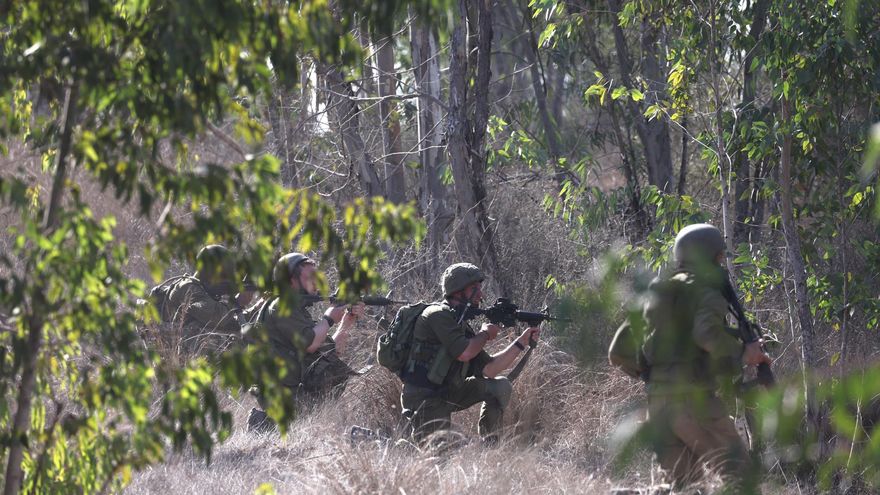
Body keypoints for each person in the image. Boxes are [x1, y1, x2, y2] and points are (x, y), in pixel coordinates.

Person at [637, 223, 771, 489]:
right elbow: (706, 335)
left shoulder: (662, 292)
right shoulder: (706, 292)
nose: (722, 262)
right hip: (692, 404)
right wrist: (745, 353)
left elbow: (626, 352)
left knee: (686, 486)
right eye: (719, 256)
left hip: (657, 405)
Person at [399, 262, 541, 444]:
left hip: (448, 392)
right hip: (424, 398)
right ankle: (400, 445)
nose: (480, 295)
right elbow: (465, 353)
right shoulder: (437, 315)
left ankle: (490, 443)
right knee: (440, 455)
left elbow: (490, 370)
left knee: (500, 387)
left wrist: (521, 341)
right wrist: (485, 334)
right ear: (458, 291)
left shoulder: (459, 323)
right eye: (475, 288)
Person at [242, 252, 365, 432]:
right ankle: (265, 425)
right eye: (310, 277)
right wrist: (328, 318)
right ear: (292, 281)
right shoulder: (281, 306)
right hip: (280, 392)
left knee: (334, 371)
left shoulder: (296, 310)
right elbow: (310, 344)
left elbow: (329, 351)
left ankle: (270, 425)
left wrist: (346, 322)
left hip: (292, 387)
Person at [149, 244, 251, 354]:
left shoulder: (201, 288)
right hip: (176, 352)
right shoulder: (188, 288)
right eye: (223, 275)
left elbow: (232, 321)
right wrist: (237, 302)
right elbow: (217, 319)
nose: (225, 280)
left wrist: (258, 306)